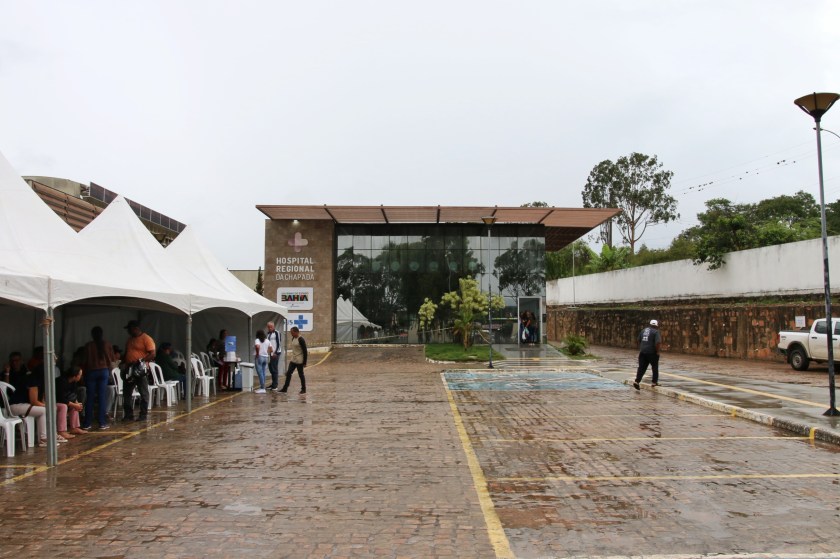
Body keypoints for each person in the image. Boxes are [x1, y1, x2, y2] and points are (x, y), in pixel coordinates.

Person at [4, 351, 49, 446]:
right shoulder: (33, 380)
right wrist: (45, 406)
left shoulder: (26, 372)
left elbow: (40, 399)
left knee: (47, 409)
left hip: (24, 404)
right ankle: (43, 438)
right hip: (15, 405)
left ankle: (50, 435)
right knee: (44, 410)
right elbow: (34, 401)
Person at [122, 320, 156, 421]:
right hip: (129, 369)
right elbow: (127, 352)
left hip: (140, 369)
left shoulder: (146, 338)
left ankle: (143, 414)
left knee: (143, 392)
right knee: (127, 392)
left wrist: (141, 361)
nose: (128, 331)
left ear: (135, 328)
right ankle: (128, 414)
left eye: (129, 329)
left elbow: (152, 354)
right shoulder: (129, 340)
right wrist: (122, 361)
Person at [83, 326, 115, 430]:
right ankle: (102, 422)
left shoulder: (88, 346)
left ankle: (87, 423)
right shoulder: (107, 344)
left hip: (91, 371)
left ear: (92, 335)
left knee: (90, 397)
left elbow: (84, 361)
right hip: (104, 371)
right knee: (102, 397)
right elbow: (112, 360)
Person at [56, 365, 86, 440]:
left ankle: (74, 427)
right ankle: (61, 431)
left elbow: (73, 395)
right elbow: (61, 398)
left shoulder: (73, 382)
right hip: (56, 402)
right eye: (80, 375)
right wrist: (74, 405)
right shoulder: (61, 382)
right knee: (63, 406)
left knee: (75, 405)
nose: (80, 376)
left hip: (66, 401)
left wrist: (77, 404)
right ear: (74, 375)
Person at [633, 319, 662, 390]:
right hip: (652, 352)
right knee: (654, 367)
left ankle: (637, 381)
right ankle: (654, 382)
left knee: (641, 367)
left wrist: (643, 346)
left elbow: (638, 340)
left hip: (643, 352)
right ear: (656, 325)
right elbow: (658, 342)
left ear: (650, 324)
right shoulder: (656, 332)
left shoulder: (643, 331)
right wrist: (657, 351)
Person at [279, 326, 307, 394]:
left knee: (301, 375)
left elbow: (305, 351)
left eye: (292, 333)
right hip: (293, 360)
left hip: (299, 360)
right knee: (288, 373)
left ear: (296, 332)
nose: (291, 334)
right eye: (291, 333)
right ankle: (285, 388)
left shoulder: (301, 339)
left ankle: (303, 389)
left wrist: (304, 362)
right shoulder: (293, 338)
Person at [253, 329, 274, 394]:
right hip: (266, 357)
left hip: (259, 357)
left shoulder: (257, 340)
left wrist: (257, 353)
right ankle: (263, 387)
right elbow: (271, 349)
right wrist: (267, 353)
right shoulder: (267, 340)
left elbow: (257, 346)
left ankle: (262, 388)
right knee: (263, 372)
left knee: (260, 373)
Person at [266, 321, 282, 391]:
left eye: (271, 327)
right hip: (270, 354)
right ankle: (273, 384)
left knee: (274, 369)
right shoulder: (268, 334)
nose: (270, 328)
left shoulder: (276, 333)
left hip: (275, 353)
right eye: (268, 327)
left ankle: (275, 385)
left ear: (273, 326)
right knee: (271, 369)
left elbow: (279, 343)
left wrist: (276, 353)